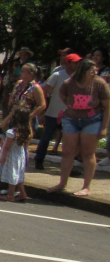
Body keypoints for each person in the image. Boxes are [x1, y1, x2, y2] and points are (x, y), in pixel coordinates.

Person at [47, 58, 110, 196]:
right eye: (91, 70)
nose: (95, 72)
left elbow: (107, 106)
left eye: (96, 70)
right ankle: (62, 183)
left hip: (92, 120)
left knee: (88, 153)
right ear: (83, 71)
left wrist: (104, 127)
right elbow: (63, 96)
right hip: (71, 119)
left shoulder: (99, 84)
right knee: (67, 152)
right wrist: (73, 108)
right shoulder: (69, 83)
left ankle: (86, 186)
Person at [35, 52, 78, 170]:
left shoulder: (79, 77)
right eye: (75, 62)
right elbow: (44, 92)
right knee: (46, 138)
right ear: (68, 63)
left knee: (69, 142)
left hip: (70, 115)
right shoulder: (57, 75)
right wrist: (42, 111)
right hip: (53, 113)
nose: (78, 64)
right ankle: (39, 160)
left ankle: (69, 167)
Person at [0, 107, 31, 202]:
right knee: (18, 175)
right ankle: (22, 193)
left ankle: (10, 195)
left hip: (12, 155)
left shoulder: (12, 132)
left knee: (12, 175)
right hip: (20, 154)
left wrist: (3, 158)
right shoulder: (27, 131)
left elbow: (7, 147)